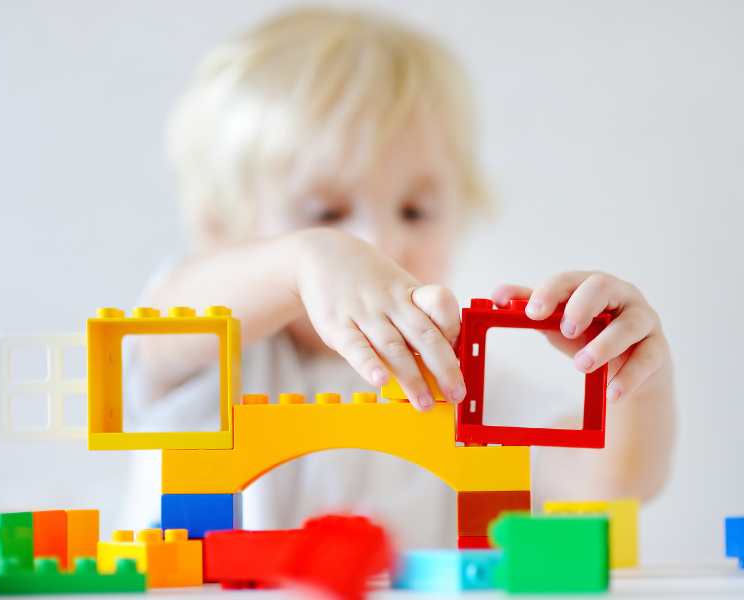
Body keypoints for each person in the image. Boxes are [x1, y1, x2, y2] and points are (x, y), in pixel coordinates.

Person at [123, 7, 676, 548]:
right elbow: (162, 330)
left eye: (414, 211)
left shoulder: (466, 382)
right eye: (326, 214)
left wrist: (627, 379)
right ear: (224, 231)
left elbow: (609, 485)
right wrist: (304, 262)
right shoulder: (217, 363)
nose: (381, 243)